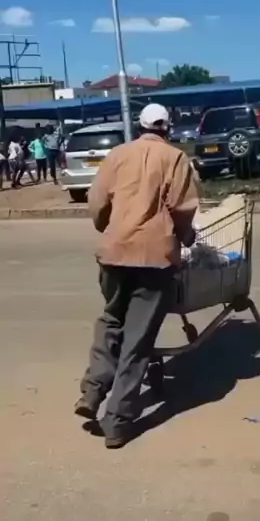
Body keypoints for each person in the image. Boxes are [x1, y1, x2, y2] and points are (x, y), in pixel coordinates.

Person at [75, 103, 199, 449]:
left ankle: (93, 391)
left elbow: (97, 201)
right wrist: (186, 237)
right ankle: (117, 420)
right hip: (153, 258)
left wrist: (111, 227)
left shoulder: (117, 155)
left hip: (114, 253)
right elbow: (182, 208)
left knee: (112, 319)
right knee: (138, 340)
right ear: (167, 127)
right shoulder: (175, 158)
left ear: (139, 125)